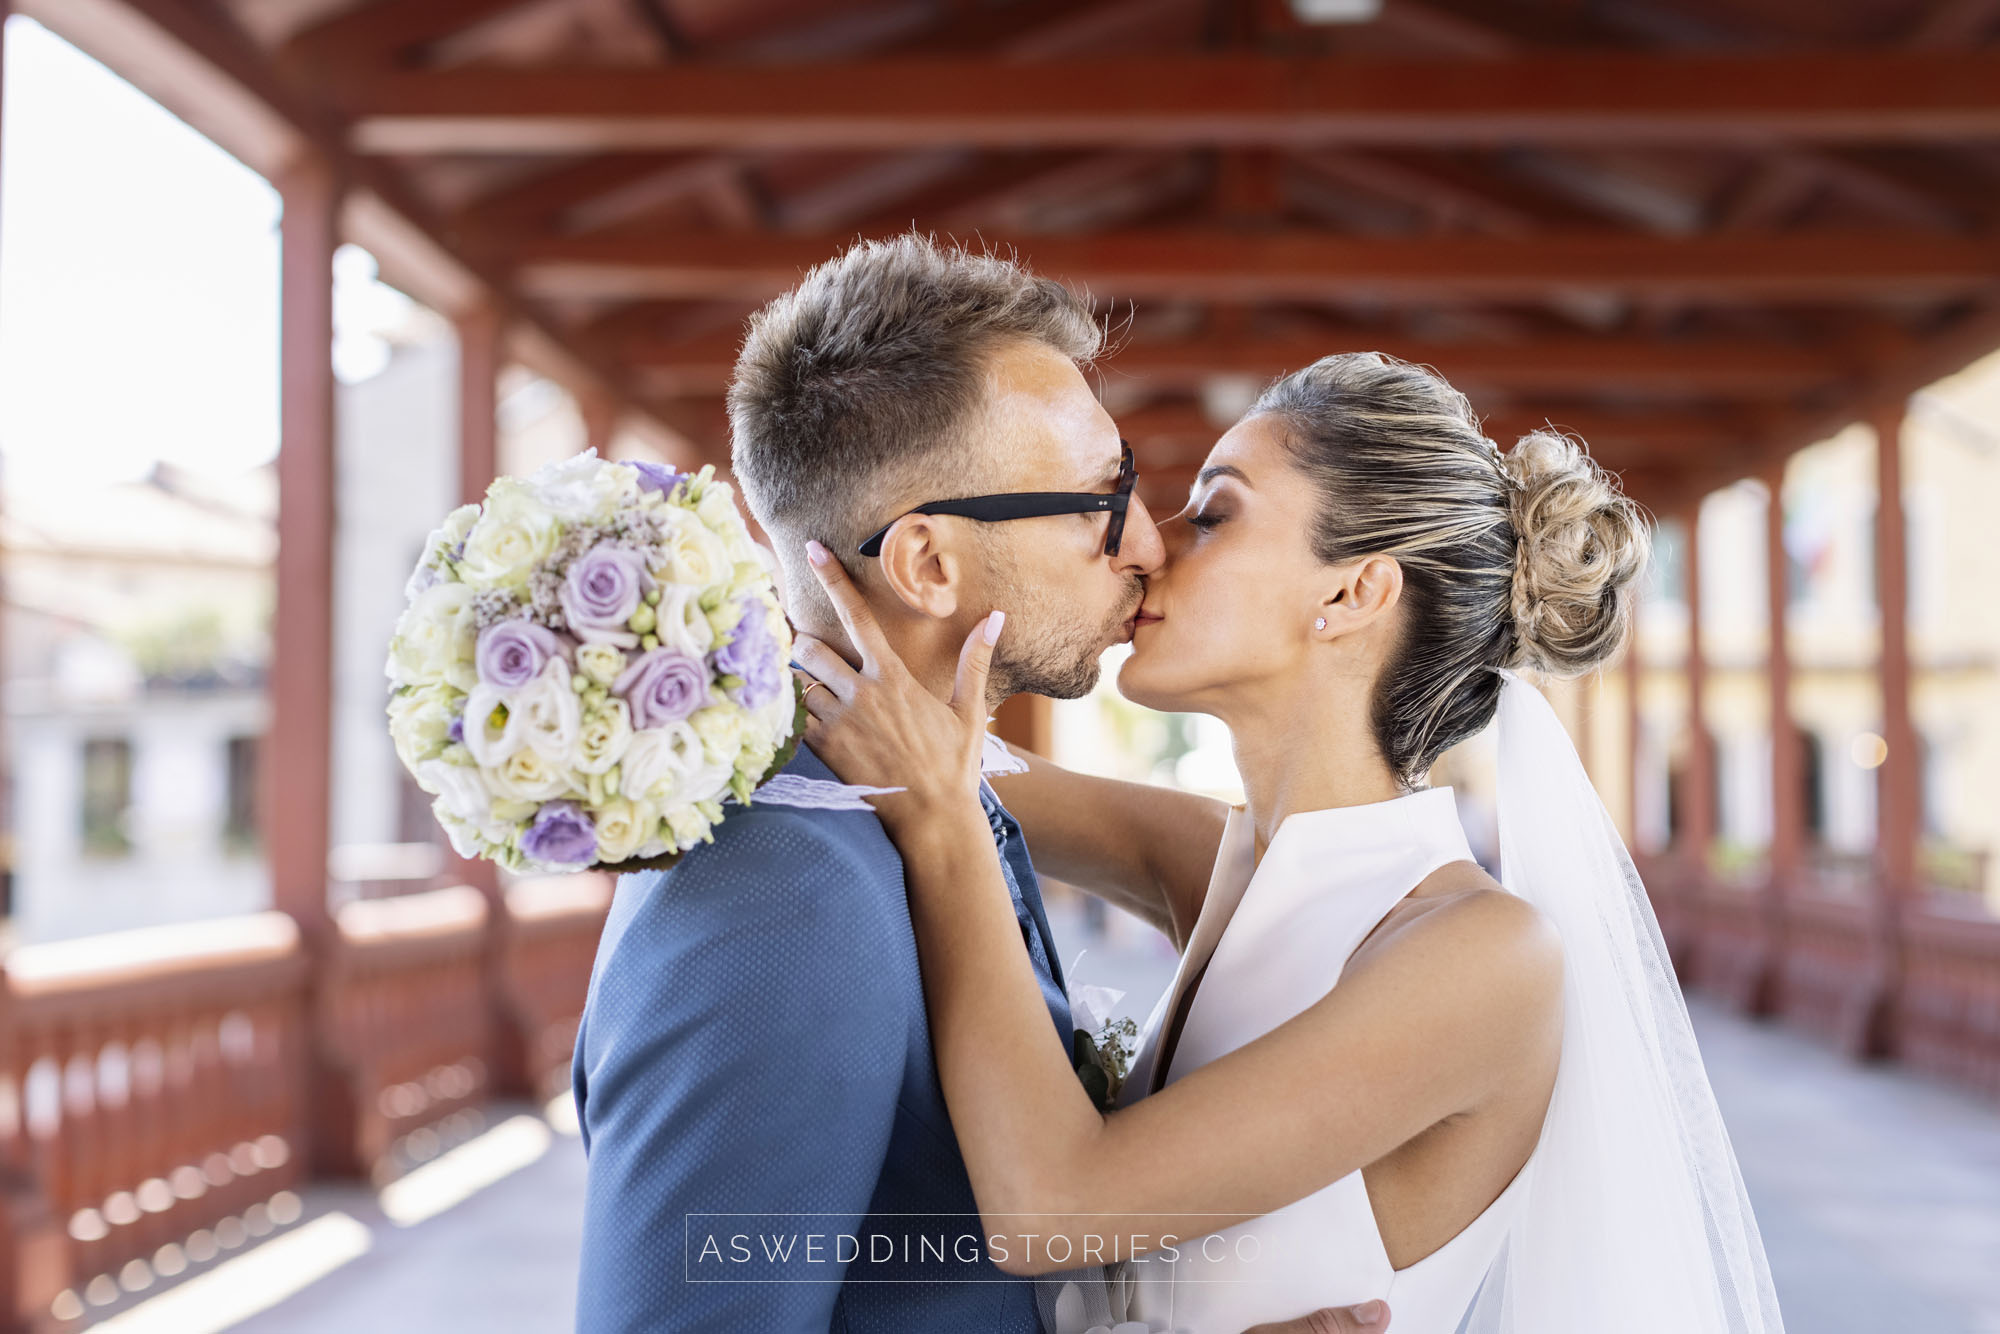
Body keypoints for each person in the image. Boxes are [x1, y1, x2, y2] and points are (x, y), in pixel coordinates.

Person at [794, 351, 1786, 1333]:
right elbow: (897, 736)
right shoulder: (1209, 856)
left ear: (1351, 595)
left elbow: (1049, 1209)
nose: (1150, 548)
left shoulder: (1481, 954)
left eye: (1213, 514)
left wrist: (942, 826)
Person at [570, 234, 1388, 1333]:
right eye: (1098, 498)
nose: (1146, 544)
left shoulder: (929, 796)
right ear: (927, 565)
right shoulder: (779, 891)